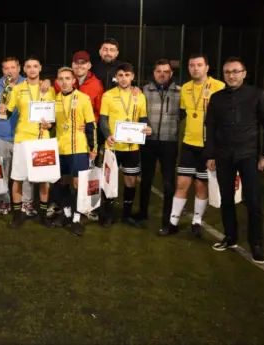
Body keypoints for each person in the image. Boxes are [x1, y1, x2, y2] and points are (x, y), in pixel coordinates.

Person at [205, 57, 264, 264]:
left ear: (244, 73)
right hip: (223, 156)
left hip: (249, 156)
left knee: (253, 202)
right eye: (227, 72)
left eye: (236, 71)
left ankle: (256, 244)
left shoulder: (258, 94)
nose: (231, 75)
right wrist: (210, 155)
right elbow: (210, 127)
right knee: (226, 199)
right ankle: (230, 237)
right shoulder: (217, 98)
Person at [162, 54, 225, 237]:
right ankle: (172, 222)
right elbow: (181, 112)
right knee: (182, 183)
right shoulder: (185, 89)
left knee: (201, 185)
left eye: (199, 65)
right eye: (191, 65)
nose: (195, 68)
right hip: (189, 143)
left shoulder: (218, 87)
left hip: (209, 145)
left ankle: (196, 222)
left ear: (207, 67)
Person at [0, 56, 56, 228]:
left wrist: (49, 124)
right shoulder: (17, 89)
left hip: (42, 139)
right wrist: (3, 110)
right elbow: (7, 113)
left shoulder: (49, 89)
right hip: (22, 139)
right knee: (18, 178)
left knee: (43, 180)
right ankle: (18, 214)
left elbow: (52, 119)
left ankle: (44, 214)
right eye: (29, 67)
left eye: (35, 66)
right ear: (25, 69)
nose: (32, 69)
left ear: (40, 69)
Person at [99, 63, 152, 228]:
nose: (123, 78)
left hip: (132, 147)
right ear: (116, 77)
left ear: (132, 77)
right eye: (120, 75)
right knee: (109, 181)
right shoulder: (108, 95)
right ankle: (107, 214)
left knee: (131, 180)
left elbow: (143, 119)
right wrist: (107, 136)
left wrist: (147, 127)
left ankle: (126, 215)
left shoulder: (140, 96)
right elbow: (103, 120)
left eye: (127, 75)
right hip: (113, 146)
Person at [51, 67, 97, 235]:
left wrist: (93, 148)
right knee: (61, 182)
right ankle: (67, 213)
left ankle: (76, 219)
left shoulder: (83, 98)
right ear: (57, 81)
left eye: (67, 78)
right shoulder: (54, 100)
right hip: (59, 147)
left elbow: (91, 124)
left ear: (73, 81)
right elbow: (52, 124)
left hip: (78, 147)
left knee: (78, 183)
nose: (64, 82)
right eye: (61, 79)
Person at [138, 59, 182, 233]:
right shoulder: (144, 91)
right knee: (146, 178)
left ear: (171, 73)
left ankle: (167, 218)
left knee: (168, 181)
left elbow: (183, 113)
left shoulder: (180, 92)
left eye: (166, 71)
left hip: (169, 141)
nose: (162, 74)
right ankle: (142, 212)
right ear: (153, 73)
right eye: (159, 71)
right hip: (148, 141)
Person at [0, 57, 36, 217]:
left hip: (23, 136)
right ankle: (4, 201)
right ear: (3, 70)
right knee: (2, 172)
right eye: (6, 68)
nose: (9, 71)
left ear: (19, 68)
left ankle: (27, 202)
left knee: (24, 173)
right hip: (1, 136)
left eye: (13, 67)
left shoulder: (29, 85)